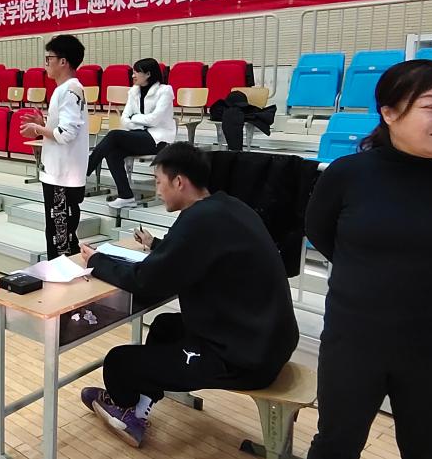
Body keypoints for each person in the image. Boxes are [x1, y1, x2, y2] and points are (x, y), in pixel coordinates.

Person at [77, 142, 298, 448]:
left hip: (243, 359)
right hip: (266, 339)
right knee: (165, 326)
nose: (158, 191)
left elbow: (147, 281)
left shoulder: (198, 221)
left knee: (118, 362)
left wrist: (97, 261)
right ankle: (143, 403)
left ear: (179, 181)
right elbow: (194, 255)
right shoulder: (228, 206)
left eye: (159, 182)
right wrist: (157, 246)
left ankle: (126, 410)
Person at [304, 59, 432, 459]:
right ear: (389, 112)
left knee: (429, 446)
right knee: (336, 443)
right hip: (355, 339)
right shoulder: (348, 174)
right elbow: (320, 232)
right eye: (431, 106)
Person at [19, 35, 89, 260]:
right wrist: (44, 125)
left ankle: (65, 279)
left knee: (61, 239)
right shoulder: (66, 89)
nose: (46, 63)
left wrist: (38, 129)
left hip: (63, 176)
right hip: (58, 173)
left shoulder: (70, 89)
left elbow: (66, 133)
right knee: (58, 234)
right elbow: (61, 129)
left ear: (63, 61)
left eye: (49, 58)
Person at [87, 58, 175, 209]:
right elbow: (124, 119)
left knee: (114, 135)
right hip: (138, 135)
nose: (133, 76)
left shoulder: (165, 91)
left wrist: (134, 118)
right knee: (113, 152)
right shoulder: (133, 91)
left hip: (158, 139)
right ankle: (126, 196)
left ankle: (87, 167)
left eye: (136, 72)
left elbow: (154, 120)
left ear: (148, 74)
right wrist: (138, 120)